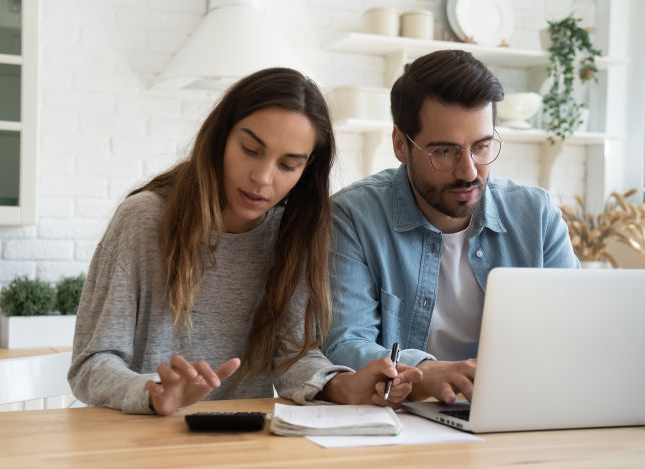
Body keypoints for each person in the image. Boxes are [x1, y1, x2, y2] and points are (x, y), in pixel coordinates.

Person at [68, 68, 421, 415]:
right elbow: (91, 363)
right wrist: (153, 392)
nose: (262, 178)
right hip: (139, 442)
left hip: (239, 441)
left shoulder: (292, 233)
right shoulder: (143, 220)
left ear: (306, 169)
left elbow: (291, 358)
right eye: (251, 149)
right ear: (221, 137)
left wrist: (346, 385)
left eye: (288, 165)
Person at [323, 50, 579, 404]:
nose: (469, 171)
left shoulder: (536, 215)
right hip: (406, 420)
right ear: (400, 144)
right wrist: (425, 372)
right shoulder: (351, 216)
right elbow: (344, 343)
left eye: (482, 146)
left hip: (519, 408)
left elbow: (576, 330)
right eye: (444, 152)